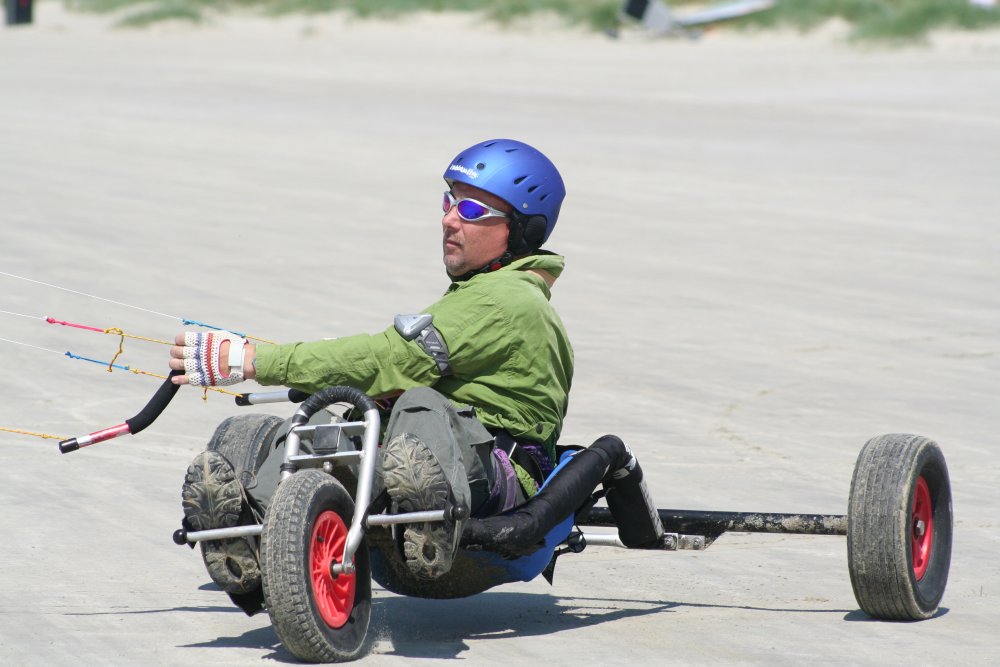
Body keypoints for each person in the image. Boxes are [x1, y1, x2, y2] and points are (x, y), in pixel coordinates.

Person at [171, 139, 575, 596]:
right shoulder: (478, 294)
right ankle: (247, 530)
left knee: (420, 404)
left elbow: (392, 359)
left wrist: (252, 361)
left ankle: (429, 520)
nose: (449, 219)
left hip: (493, 489)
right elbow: (385, 364)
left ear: (520, 230)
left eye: (473, 210)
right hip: (414, 467)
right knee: (325, 418)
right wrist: (334, 377)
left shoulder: (507, 298)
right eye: (449, 201)